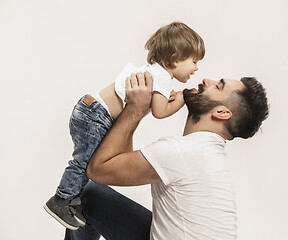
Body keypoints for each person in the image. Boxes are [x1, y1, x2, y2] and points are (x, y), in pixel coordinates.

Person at [65, 71, 269, 239]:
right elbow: (121, 166)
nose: (207, 80)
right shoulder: (203, 151)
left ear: (222, 112)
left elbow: (98, 170)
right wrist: (137, 108)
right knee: (91, 193)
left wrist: (136, 108)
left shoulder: (184, 152)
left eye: (218, 86)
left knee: (87, 194)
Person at [44, 22, 205, 230]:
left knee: (90, 160)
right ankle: (61, 199)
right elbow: (159, 111)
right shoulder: (163, 78)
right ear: (175, 59)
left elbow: (157, 104)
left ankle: (73, 198)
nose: (196, 67)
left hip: (90, 110)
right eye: (194, 61)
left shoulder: (156, 73)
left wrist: (170, 98)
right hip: (96, 116)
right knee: (83, 162)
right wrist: (182, 98)